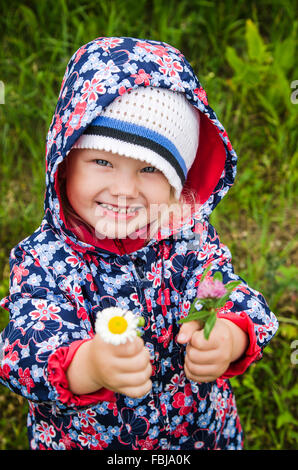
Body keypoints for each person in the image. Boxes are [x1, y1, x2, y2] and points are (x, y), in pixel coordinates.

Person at [0, 36, 278, 450]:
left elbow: (226, 293)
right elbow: (24, 351)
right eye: (102, 161)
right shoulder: (45, 260)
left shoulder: (190, 240)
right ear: (63, 160)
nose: (124, 189)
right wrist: (88, 365)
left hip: (199, 435)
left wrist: (228, 338)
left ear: (176, 184)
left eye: (150, 168)